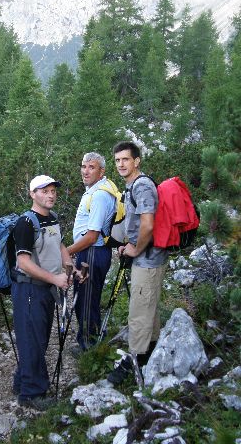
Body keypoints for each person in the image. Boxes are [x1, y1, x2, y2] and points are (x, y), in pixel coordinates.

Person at [11, 175, 85, 411]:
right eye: (44, 191)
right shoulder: (25, 223)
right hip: (29, 289)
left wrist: (70, 269)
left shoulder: (51, 219)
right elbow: (22, 262)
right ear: (32, 194)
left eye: (53, 191)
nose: (51, 195)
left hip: (45, 289)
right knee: (33, 339)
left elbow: (60, 246)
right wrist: (54, 278)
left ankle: (22, 381)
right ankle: (31, 394)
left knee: (37, 338)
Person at [108, 141, 168, 384]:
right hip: (147, 256)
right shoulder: (133, 185)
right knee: (148, 307)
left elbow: (148, 224)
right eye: (118, 160)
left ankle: (135, 360)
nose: (121, 164)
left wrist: (136, 248)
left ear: (137, 161)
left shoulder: (141, 186)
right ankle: (150, 351)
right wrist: (128, 244)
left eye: (126, 159)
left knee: (138, 313)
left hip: (149, 258)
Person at [67, 152, 115, 352]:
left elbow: (91, 236)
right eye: (83, 166)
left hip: (92, 253)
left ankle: (89, 345)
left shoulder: (101, 195)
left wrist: (65, 252)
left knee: (85, 300)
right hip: (91, 253)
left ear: (101, 171)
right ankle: (93, 338)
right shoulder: (96, 190)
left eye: (91, 167)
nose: (85, 171)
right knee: (88, 297)